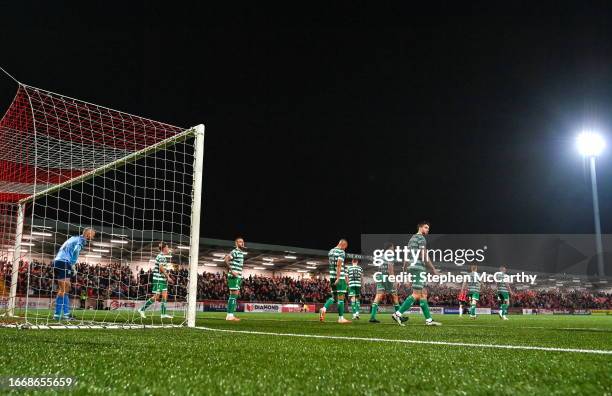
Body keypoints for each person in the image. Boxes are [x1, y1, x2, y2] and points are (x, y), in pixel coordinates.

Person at [392, 221, 441, 326]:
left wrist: (405, 269)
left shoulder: (411, 239)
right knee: (416, 294)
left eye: (428, 228)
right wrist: (433, 269)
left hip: (412, 266)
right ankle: (398, 314)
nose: (428, 230)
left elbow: (407, 255)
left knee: (423, 293)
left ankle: (429, 320)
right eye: (426, 227)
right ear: (420, 227)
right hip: (419, 267)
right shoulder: (421, 238)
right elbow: (424, 254)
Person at [52, 228, 96, 320]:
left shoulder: (73, 237)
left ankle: (57, 314)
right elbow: (76, 250)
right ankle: (65, 315)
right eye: (93, 235)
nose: (93, 237)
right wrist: (72, 264)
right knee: (65, 289)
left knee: (64, 288)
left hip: (57, 261)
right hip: (64, 262)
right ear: (88, 235)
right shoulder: (82, 240)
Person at [369, 244, 406, 324]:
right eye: (393, 248)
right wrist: (394, 280)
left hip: (380, 276)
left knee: (378, 296)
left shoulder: (381, 256)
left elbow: (379, 268)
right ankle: (399, 316)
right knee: (394, 296)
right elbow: (390, 268)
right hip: (387, 277)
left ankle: (372, 317)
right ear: (389, 248)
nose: (393, 250)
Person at [138, 242, 174, 319]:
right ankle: (141, 309)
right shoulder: (160, 256)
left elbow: (163, 268)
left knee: (165, 295)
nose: (168, 249)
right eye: (167, 247)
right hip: (158, 279)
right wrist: (168, 277)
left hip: (162, 279)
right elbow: (161, 268)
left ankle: (163, 314)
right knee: (156, 297)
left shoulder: (163, 257)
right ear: (164, 248)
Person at [319, 239, 351, 323]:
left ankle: (324, 308)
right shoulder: (341, 252)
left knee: (334, 297)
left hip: (332, 276)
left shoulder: (331, 251)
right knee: (341, 298)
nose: (345, 249)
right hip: (339, 278)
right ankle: (341, 318)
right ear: (343, 245)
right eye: (345, 247)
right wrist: (338, 277)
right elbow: (338, 265)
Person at [224, 237, 246, 321]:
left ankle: (229, 315)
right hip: (234, 276)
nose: (242, 243)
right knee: (234, 295)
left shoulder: (240, 252)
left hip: (238, 276)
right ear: (236, 243)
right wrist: (232, 271)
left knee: (233, 295)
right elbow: (226, 259)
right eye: (240, 242)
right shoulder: (235, 251)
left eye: (243, 242)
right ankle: (230, 316)